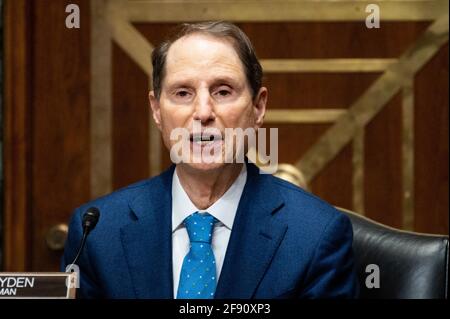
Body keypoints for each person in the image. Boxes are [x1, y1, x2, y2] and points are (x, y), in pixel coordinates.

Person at [62, 21, 358, 299]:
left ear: (258, 107)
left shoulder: (316, 235)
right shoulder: (97, 234)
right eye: (182, 93)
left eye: (223, 91)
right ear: (156, 110)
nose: (203, 112)